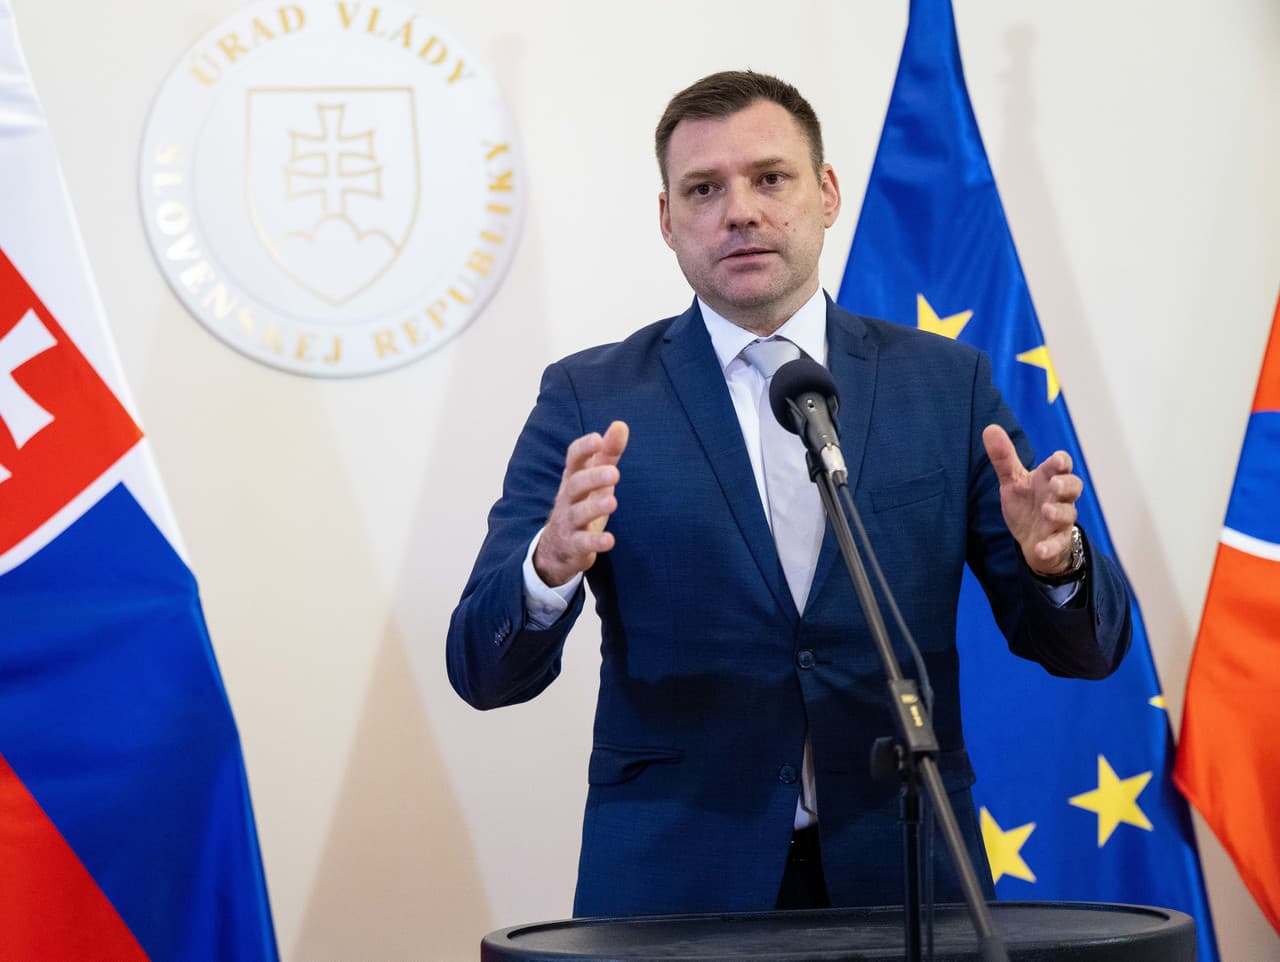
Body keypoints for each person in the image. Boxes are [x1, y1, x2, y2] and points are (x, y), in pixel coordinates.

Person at [446, 70, 1131, 918]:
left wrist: (1057, 562)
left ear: (827, 193)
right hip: (676, 888)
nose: (739, 211)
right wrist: (546, 570)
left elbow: (1089, 652)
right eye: (704, 189)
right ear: (668, 220)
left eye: (770, 178)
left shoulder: (945, 386)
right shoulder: (592, 399)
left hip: (903, 878)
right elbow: (481, 671)